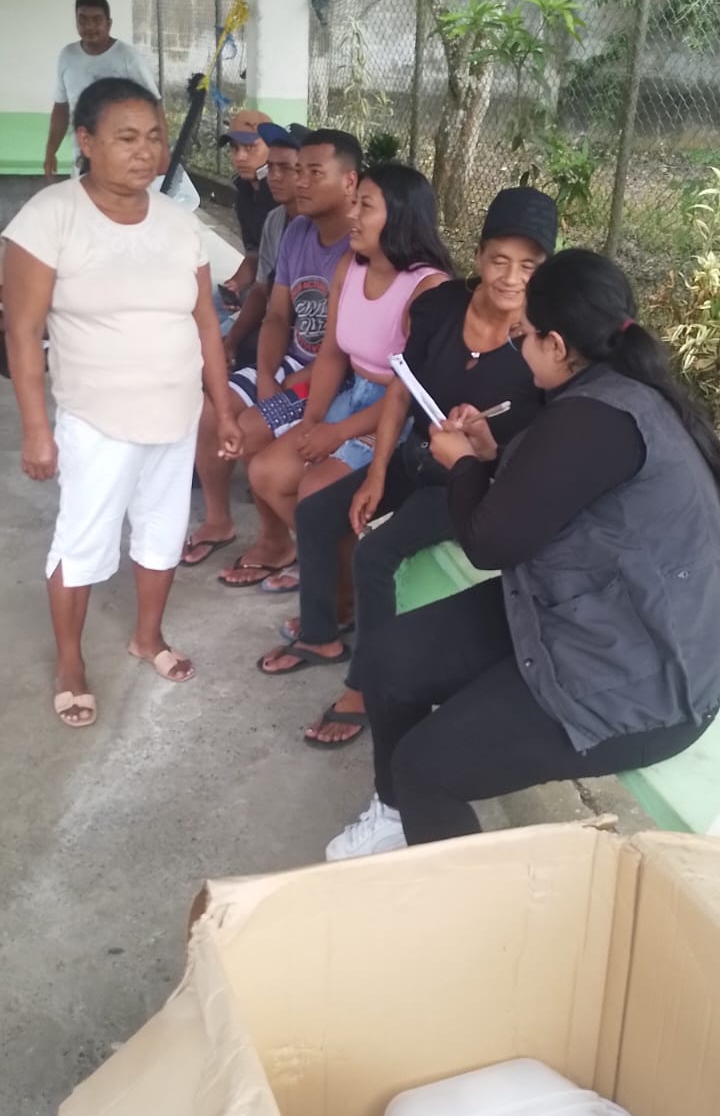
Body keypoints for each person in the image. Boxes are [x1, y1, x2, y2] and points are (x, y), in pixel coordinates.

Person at [325, 247, 720, 860]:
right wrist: (486, 455)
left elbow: (488, 543)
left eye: (525, 335)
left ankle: (471, 904)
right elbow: (543, 489)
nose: (518, 346)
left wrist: (460, 465)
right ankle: (399, 814)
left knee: (425, 767)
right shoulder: (606, 394)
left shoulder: (598, 415)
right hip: (577, 608)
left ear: (557, 345)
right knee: (386, 660)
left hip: (641, 677)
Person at [277, 186, 557, 747]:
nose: (511, 278)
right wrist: (378, 472)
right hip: (417, 458)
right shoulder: (442, 306)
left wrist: (486, 452)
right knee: (317, 512)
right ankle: (321, 634)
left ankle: (367, 686)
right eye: (499, 260)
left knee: (375, 553)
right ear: (479, 257)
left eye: (529, 266)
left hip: (474, 483)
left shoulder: (547, 341)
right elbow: (401, 393)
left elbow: (550, 436)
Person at [3, 77, 242, 730]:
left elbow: (205, 324)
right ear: (85, 141)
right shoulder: (49, 218)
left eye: (155, 137)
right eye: (127, 137)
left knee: (162, 531)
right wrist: (36, 429)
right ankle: (70, 664)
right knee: (83, 539)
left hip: (175, 415)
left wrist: (222, 409)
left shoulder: (178, 224)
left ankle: (147, 637)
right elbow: (21, 331)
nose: (146, 151)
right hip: (96, 419)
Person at [255, 164, 455, 665]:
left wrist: (339, 432)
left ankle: (340, 601)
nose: (353, 215)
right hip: (350, 393)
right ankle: (338, 589)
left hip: (395, 413)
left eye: (366, 206)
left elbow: (409, 391)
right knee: (267, 472)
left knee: (314, 492)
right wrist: (313, 423)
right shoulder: (352, 264)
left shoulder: (427, 288)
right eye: (356, 203)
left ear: (400, 216)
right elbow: (331, 353)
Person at [181, 128, 361, 577]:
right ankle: (227, 523)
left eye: (312, 173)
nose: (299, 182)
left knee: (250, 430)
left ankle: (287, 545)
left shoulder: (360, 245)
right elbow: (278, 315)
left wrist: (288, 385)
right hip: (294, 358)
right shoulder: (296, 231)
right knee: (212, 410)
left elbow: (349, 347)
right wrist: (264, 376)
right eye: (298, 172)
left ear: (349, 182)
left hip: (336, 373)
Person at [44, 0, 169, 179]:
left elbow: (154, 105)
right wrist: (50, 150)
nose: (89, 26)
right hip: (83, 159)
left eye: (96, 20)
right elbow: (61, 109)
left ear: (108, 24)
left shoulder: (128, 57)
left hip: (124, 159)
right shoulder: (67, 56)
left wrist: (163, 150)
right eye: (83, 20)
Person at [222, 123, 301, 371]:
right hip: (274, 318)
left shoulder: (324, 229)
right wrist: (231, 341)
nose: (275, 176)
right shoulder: (275, 218)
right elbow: (261, 286)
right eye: (272, 167)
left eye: (285, 168)